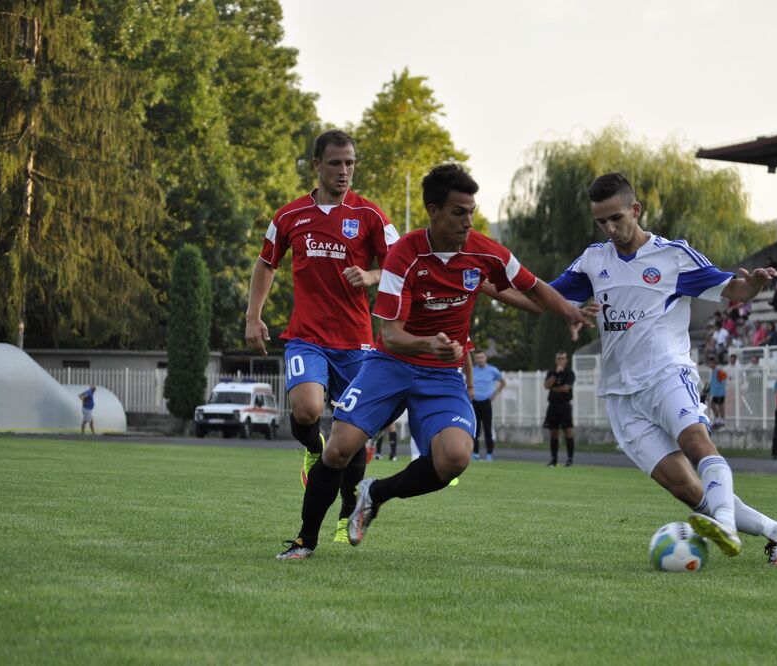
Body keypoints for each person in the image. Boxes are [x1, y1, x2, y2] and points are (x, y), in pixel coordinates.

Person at [276, 163, 595, 560]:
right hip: (390, 364)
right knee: (338, 450)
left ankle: (376, 493)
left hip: (442, 375)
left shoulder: (486, 250)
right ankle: (305, 541)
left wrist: (569, 312)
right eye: (459, 212)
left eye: (472, 212)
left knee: (455, 457)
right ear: (433, 210)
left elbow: (531, 287)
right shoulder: (403, 255)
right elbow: (391, 334)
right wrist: (432, 344)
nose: (468, 221)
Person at [545, 172, 777, 565]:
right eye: (601, 221)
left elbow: (733, 288)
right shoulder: (594, 262)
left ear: (636, 209)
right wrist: (493, 284)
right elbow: (545, 293)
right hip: (621, 396)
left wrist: (753, 286)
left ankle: (726, 526)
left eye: (617, 218)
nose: (610, 228)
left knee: (696, 441)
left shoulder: (672, 257)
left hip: (667, 373)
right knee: (687, 489)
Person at [246, 129, 399, 544]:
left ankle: (350, 507)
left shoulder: (371, 216)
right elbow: (265, 264)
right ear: (317, 165)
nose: (344, 171)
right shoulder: (289, 216)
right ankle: (313, 449)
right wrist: (253, 316)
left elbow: (402, 266)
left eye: (350, 163)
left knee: (352, 436)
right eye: (335, 163)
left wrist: (370, 274)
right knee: (307, 409)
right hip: (307, 337)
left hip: (357, 344)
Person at [470, 351, 506, 461]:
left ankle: (489, 454)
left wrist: (494, 394)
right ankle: (475, 453)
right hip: (474, 402)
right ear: (475, 360)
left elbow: (503, 382)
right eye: (477, 358)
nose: (480, 359)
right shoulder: (472, 371)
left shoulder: (492, 370)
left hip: (486, 402)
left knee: (488, 429)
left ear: (485, 358)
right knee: (475, 429)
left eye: (481, 357)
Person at [544, 351, 576, 467]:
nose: (561, 360)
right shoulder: (552, 372)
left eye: (563, 358)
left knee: (568, 431)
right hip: (553, 406)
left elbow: (566, 388)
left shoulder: (570, 373)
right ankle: (553, 459)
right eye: (559, 358)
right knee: (553, 433)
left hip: (565, 405)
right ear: (555, 360)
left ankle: (570, 459)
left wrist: (554, 388)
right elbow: (547, 385)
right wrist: (555, 374)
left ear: (566, 360)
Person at [705, 356, 727, 429]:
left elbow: (723, 381)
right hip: (714, 393)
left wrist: (721, 390)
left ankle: (722, 421)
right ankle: (718, 420)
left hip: (720, 392)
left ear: (713, 363)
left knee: (721, 407)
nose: (710, 364)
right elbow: (711, 383)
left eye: (711, 363)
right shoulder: (711, 371)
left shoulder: (719, 371)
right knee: (712, 405)